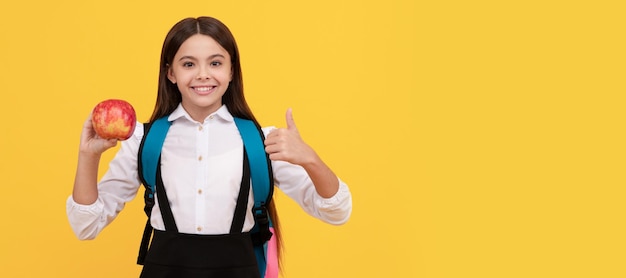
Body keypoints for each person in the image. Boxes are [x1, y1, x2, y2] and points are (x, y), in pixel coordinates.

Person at [66, 16, 352, 278]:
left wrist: (310, 159)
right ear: (171, 73)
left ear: (231, 71)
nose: (203, 74)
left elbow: (336, 212)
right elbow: (86, 227)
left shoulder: (262, 141)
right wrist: (88, 156)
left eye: (215, 63)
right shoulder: (144, 140)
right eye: (189, 64)